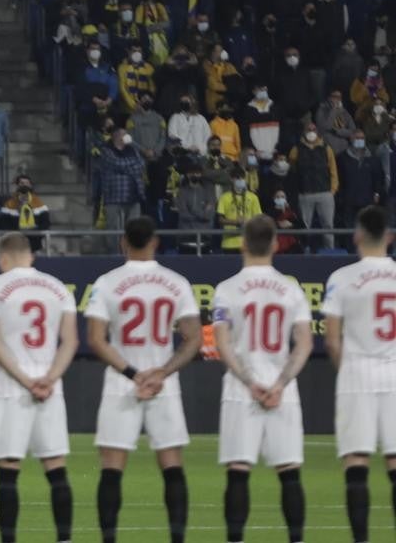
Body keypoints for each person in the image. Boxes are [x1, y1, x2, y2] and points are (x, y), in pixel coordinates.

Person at [85, 217, 203, 543]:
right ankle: (177, 538)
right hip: (163, 381)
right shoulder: (176, 282)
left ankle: (109, 539)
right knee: (172, 466)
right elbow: (193, 339)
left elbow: (96, 339)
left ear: (124, 242)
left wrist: (133, 374)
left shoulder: (107, 282)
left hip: (122, 381)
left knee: (111, 468)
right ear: (155, 242)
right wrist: (161, 372)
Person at [212, 216, 312, 543]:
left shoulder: (226, 289)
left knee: (238, 473)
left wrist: (247, 380)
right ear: (273, 244)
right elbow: (304, 343)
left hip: (242, 390)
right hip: (283, 390)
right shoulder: (291, 288)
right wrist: (280, 384)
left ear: (242, 243)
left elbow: (222, 343)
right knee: (289, 474)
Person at [0, 233, 77, 543]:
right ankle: (64, 538)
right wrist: (49, 378)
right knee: (56, 467)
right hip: (50, 386)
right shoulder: (58, 288)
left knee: (8, 469)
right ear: (30, 256)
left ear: (2, 258)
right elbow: (71, 341)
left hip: (12, 385)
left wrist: (25, 380)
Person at [323, 205, 396, 543]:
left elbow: (332, 339)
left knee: (356, 460)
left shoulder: (342, 278)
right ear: (390, 237)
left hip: (357, 373)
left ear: (357, 235)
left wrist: (347, 371)